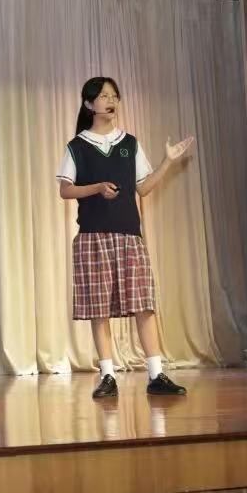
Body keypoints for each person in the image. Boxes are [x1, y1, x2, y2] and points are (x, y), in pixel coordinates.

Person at [56, 77, 194, 398]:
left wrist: (168, 162)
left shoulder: (129, 143)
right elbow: (65, 189)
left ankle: (156, 375)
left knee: (143, 304)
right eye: (104, 96)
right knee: (99, 308)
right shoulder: (77, 146)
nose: (111, 100)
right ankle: (107, 376)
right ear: (89, 104)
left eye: (114, 96)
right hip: (92, 237)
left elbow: (143, 188)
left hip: (130, 235)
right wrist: (97, 188)